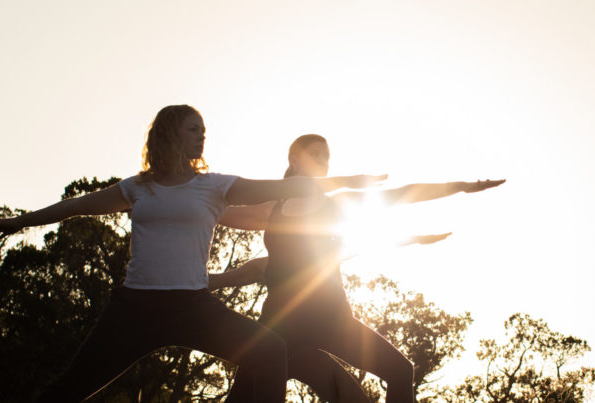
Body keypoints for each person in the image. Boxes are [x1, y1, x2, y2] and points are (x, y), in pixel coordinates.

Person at [0, 107, 387, 403]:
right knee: (69, 388)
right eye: (194, 129)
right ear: (170, 134)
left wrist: (349, 181)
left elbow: (291, 188)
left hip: (192, 306)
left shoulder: (215, 186)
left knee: (269, 350)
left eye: (204, 130)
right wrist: (19, 222)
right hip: (135, 307)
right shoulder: (137, 187)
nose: (202, 136)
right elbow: (76, 206)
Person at [213, 134, 505, 403]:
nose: (321, 161)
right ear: (294, 161)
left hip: (333, 319)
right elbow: (212, 211)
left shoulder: (338, 204)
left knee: (401, 371)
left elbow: (405, 193)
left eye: (325, 156)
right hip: (279, 326)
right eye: (313, 154)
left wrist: (460, 187)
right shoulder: (270, 211)